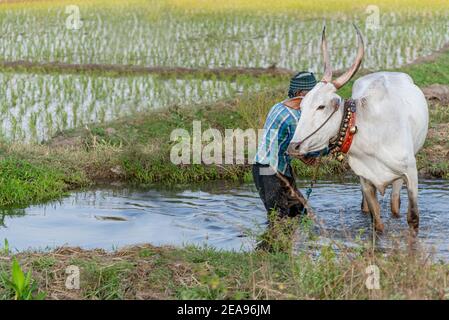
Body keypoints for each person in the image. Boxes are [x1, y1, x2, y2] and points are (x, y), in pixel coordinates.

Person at [253, 71, 318, 231]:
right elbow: (299, 147)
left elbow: (289, 146)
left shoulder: (279, 105)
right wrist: (311, 156)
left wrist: (301, 155)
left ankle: (290, 249)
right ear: (299, 94)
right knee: (278, 218)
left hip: (278, 167)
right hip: (268, 170)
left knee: (300, 212)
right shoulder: (294, 119)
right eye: (312, 95)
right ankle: (270, 253)